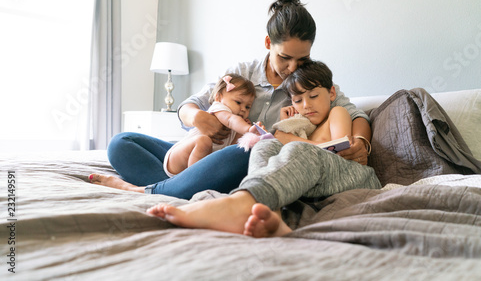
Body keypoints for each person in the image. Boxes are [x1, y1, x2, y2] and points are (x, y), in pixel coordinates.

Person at [89, 0, 372, 199]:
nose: (292, 67)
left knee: (247, 151)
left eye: (302, 58)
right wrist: (200, 118)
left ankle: (146, 191)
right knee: (121, 143)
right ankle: (184, 186)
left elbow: (357, 114)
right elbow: (190, 106)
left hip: (238, 163)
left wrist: (360, 141)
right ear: (267, 43)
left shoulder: (308, 83)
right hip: (201, 155)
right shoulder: (242, 72)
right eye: (285, 57)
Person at [146, 60, 382, 237]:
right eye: (298, 100)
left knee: (299, 151)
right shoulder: (303, 125)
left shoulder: (337, 113)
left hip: (351, 174)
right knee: (263, 147)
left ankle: (238, 205)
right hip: (316, 176)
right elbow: (281, 142)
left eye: (313, 96)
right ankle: (272, 215)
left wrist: (292, 140)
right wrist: (285, 127)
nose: (306, 105)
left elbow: (337, 151)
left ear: (331, 93)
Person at [164, 74, 258, 177]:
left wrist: (241, 134)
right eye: (238, 102)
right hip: (177, 159)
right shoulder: (219, 108)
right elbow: (230, 120)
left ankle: (195, 179)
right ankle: (194, 180)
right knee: (203, 141)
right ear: (218, 97)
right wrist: (247, 129)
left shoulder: (237, 124)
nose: (243, 109)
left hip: (198, 163)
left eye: (248, 106)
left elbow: (231, 150)